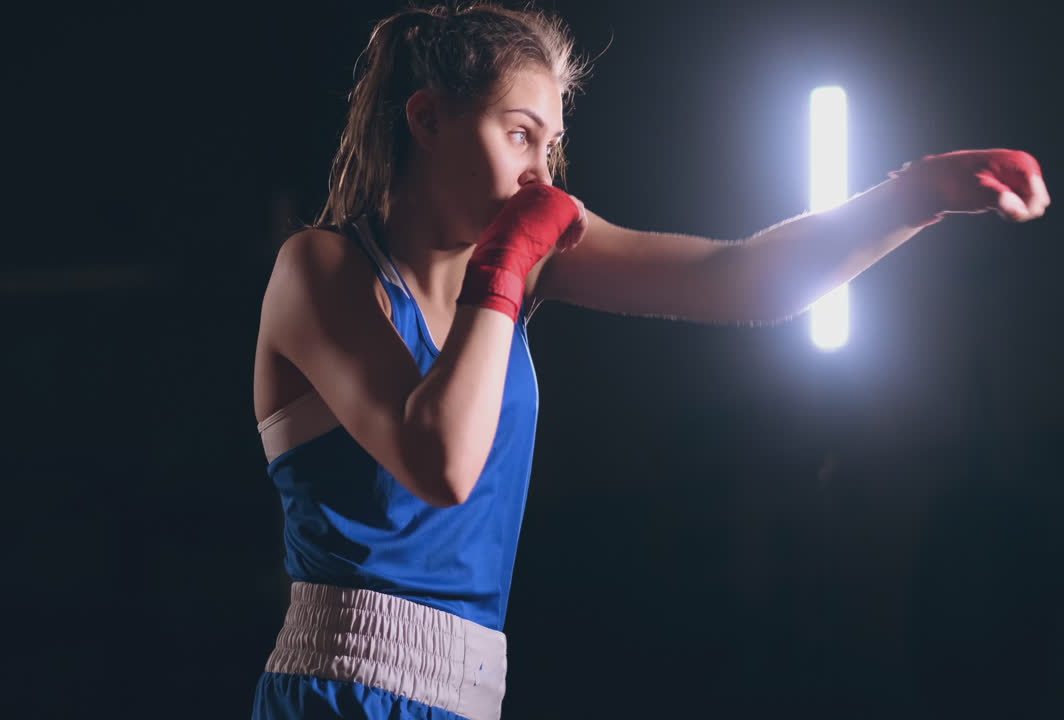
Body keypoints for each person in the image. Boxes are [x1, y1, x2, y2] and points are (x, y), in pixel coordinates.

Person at [250, 2, 1050, 718]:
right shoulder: (319, 270)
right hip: (336, 691)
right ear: (425, 119)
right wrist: (503, 268)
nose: (540, 173)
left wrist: (916, 195)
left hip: (468, 696)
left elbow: (742, 280)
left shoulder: (518, 267)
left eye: (552, 144)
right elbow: (443, 461)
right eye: (519, 133)